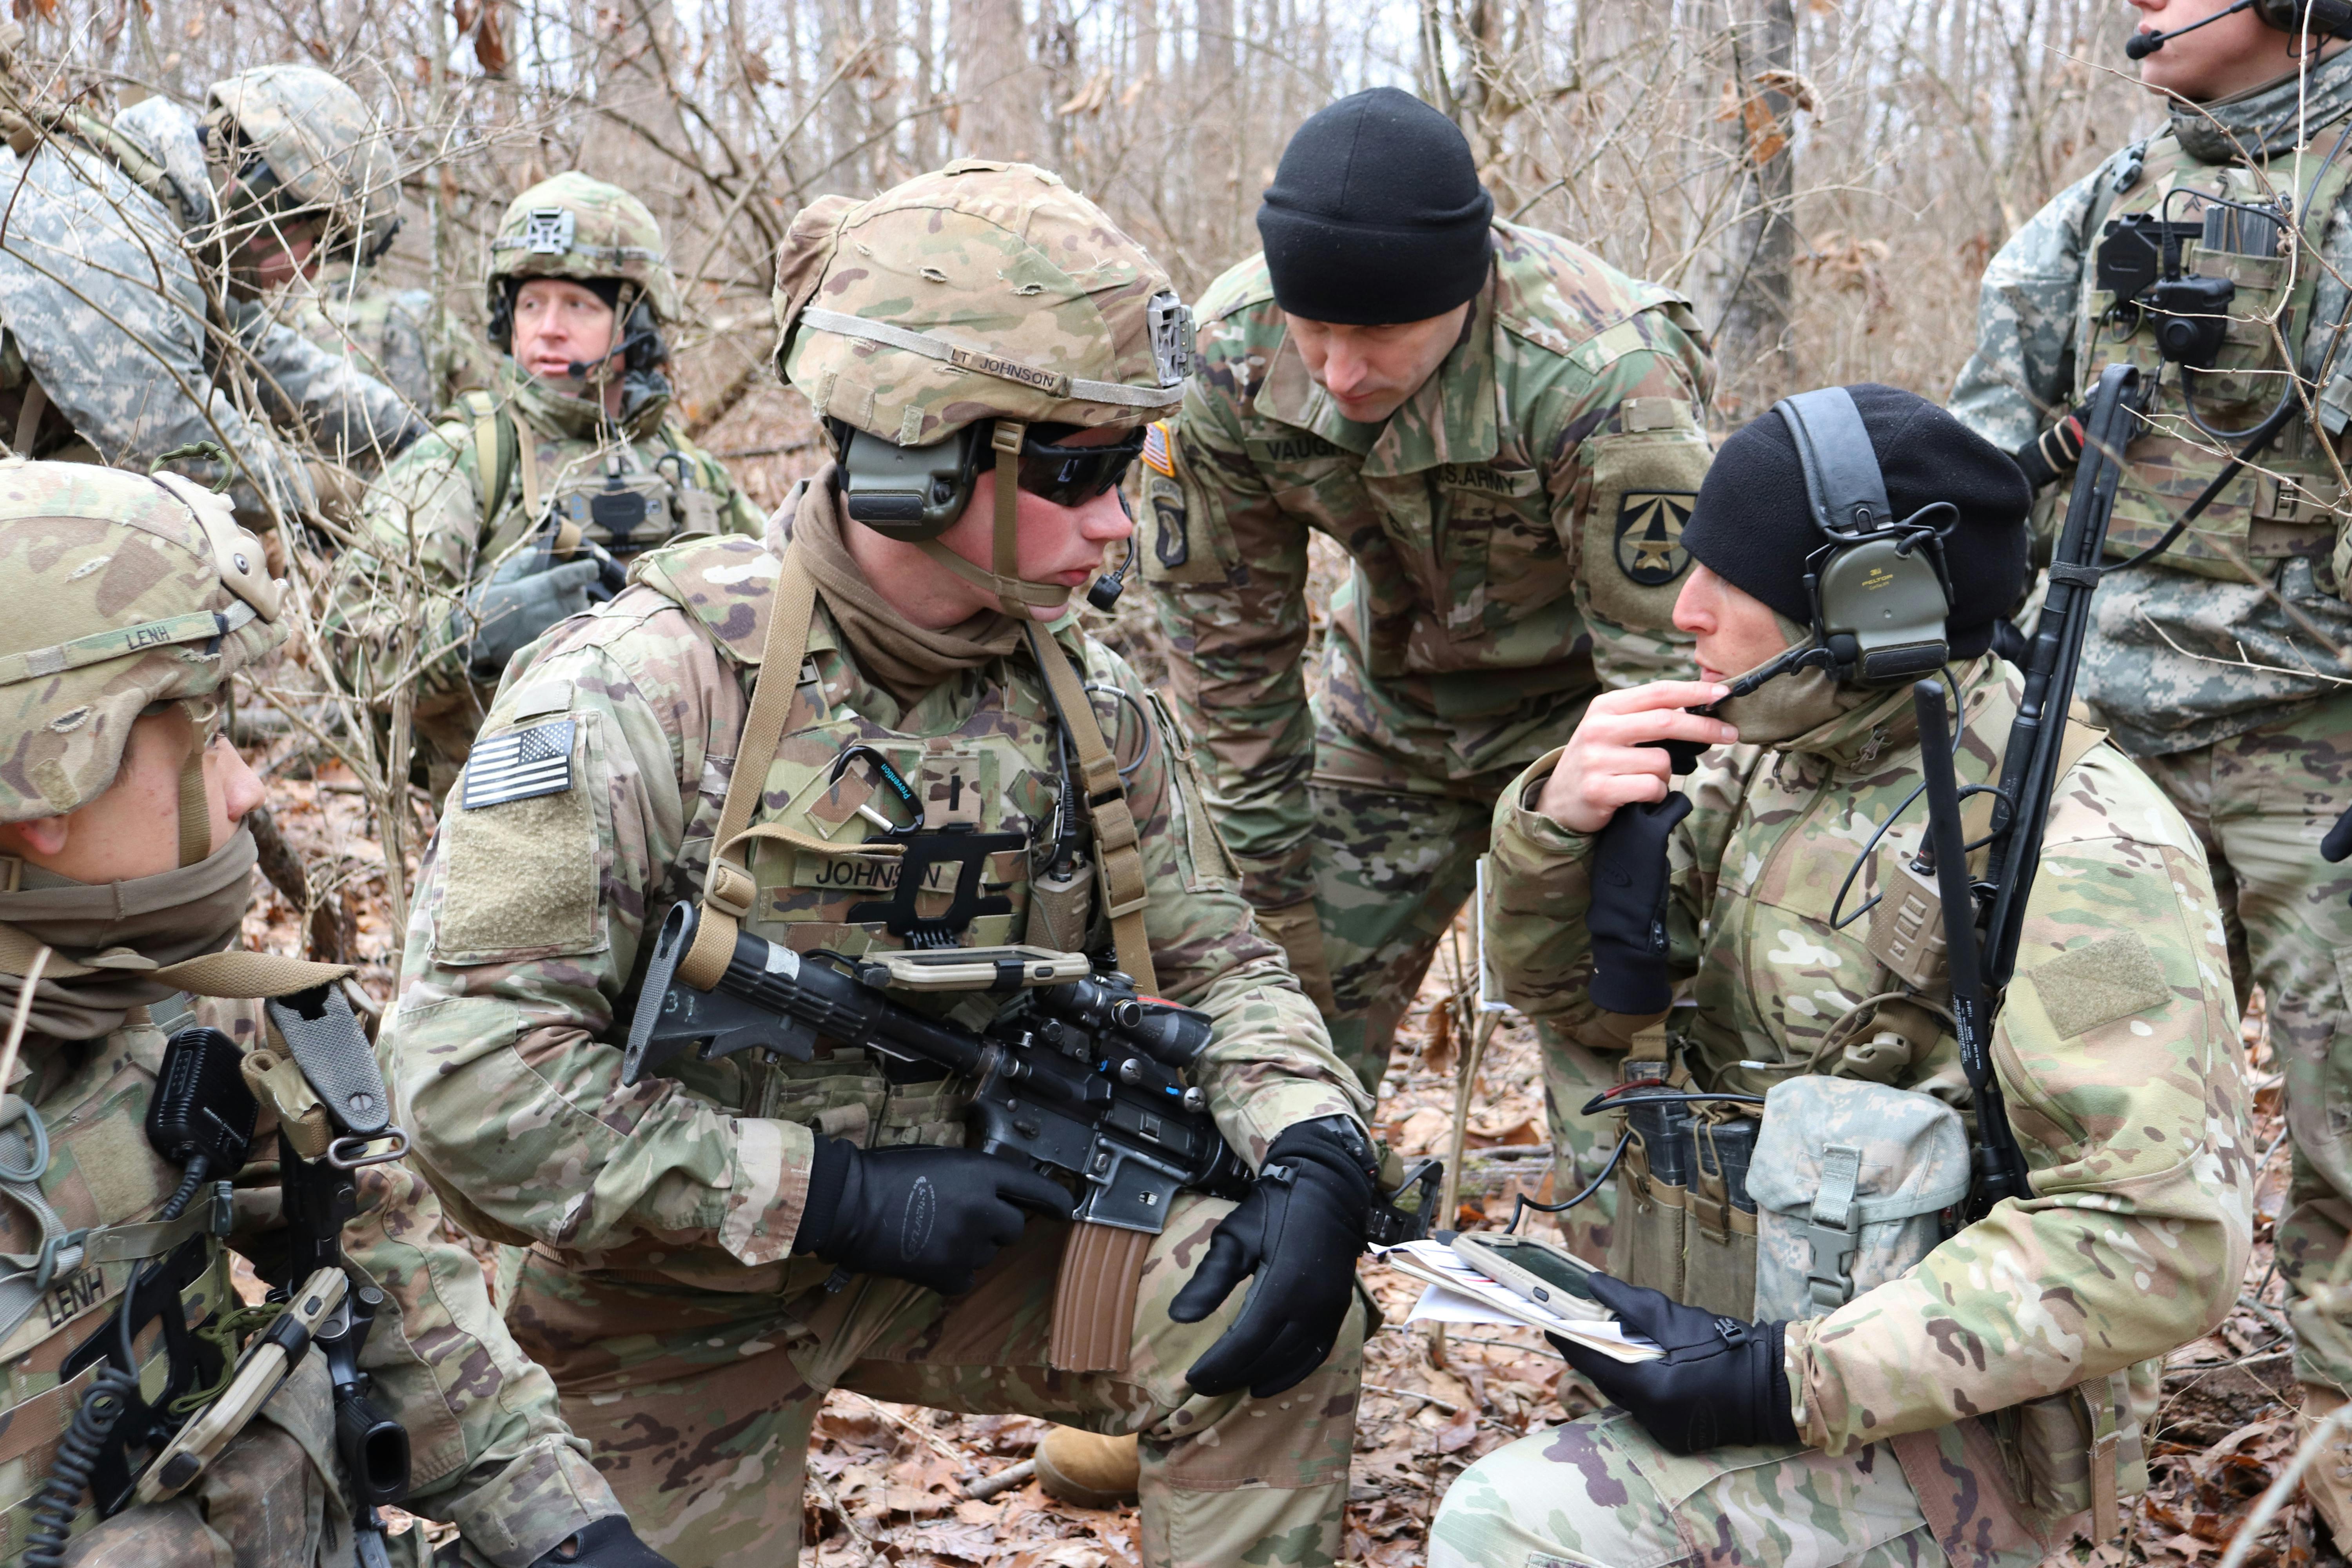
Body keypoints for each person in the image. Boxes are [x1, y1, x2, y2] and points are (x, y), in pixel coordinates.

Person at [379, 160, 1379, 1568]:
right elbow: (464, 1079)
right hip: (658, 1290)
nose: (1116, 524)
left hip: (972, 1241)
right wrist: (829, 1192)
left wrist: (1310, 1134)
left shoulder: (1085, 697)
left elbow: (1219, 961)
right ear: (926, 456)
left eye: (1128, 472)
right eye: (1082, 471)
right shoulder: (638, 686)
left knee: (1281, 1317)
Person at [1427, 385, 2251, 1567]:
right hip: (1763, 1345)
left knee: (1509, 1521)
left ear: (1868, 604)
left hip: (1958, 1429)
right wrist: (1552, 832)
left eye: (1730, 577)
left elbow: (2158, 1235)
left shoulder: (2084, 858)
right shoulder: (1773, 757)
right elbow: (1591, 1012)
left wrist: (1785, 1381)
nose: (1686, 609)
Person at [0, 459, 672, 1568]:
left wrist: (571, 1532)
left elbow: (397, 1280)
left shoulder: (181, 1007)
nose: (247, 790)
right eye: (204, 740)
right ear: (45, 778)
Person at [1142, 85, 1712, 1256]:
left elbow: (1669, 676)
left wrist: (1609, 880)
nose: (1341, 373)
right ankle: (1235, 1340)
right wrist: (1267, 909)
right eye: (1317, 333)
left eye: (1379, 338)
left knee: (1626, 1053)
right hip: (1382, 723)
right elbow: (1225, 653)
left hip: (1588, 737)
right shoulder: (1232, 356)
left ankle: (1649, 1369)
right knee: (1260, 1045)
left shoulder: (1603, 374)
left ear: (1461, 293)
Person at [1946, 0, 2352, 1528]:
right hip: (2105, 745)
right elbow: (1985, 464)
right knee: (2080, 1106)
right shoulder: (2097, 212)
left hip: (2319, 744)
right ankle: (2067, 1476)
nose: (2137, 7)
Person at [325, 171, 762, 795]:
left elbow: (790, 617)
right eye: (531, 304)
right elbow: (355, 652)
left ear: (634, 322)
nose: (548, 329)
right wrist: (477, 630)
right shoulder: (464, 459)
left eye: (578, 305)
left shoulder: (688, 470)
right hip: (510, 815)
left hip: (683, 816)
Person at [0, 59, 426, 528]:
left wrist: (411, 432)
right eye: (317, 250)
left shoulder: (171, 218)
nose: (306, 277)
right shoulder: (107, 228)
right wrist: (338, 495)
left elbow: (265, 359)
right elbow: (176, 449)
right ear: (268, 200)